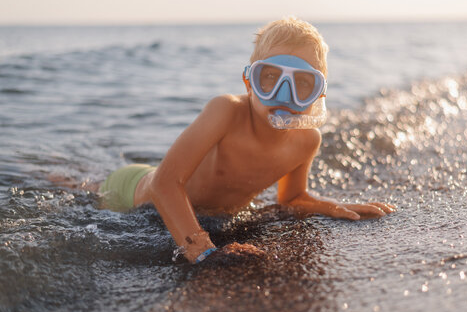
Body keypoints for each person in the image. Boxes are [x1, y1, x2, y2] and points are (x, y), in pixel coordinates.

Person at [98, 17, 396, 264]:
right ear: (249, 82)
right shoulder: (225, 111)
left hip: (201, 211)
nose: (284, 93)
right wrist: (203, 251)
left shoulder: (307, 141)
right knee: (86, 190)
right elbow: (165, 183)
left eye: (302, 83)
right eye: (270, 77)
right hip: (134, 193)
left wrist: (332, 206)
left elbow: (291, 198)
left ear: (318, 95)